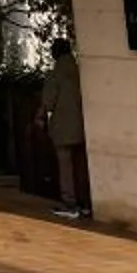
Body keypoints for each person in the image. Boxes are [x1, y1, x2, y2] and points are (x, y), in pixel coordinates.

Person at [38, 37, 88, 220]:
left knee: (65, 167)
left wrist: (39, 118)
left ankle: (70, 204)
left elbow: (48, 102)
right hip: (83, 125)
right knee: (81, 167)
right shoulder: (81, 71)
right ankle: (85, 203)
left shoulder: (56, 74)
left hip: (63, 127)